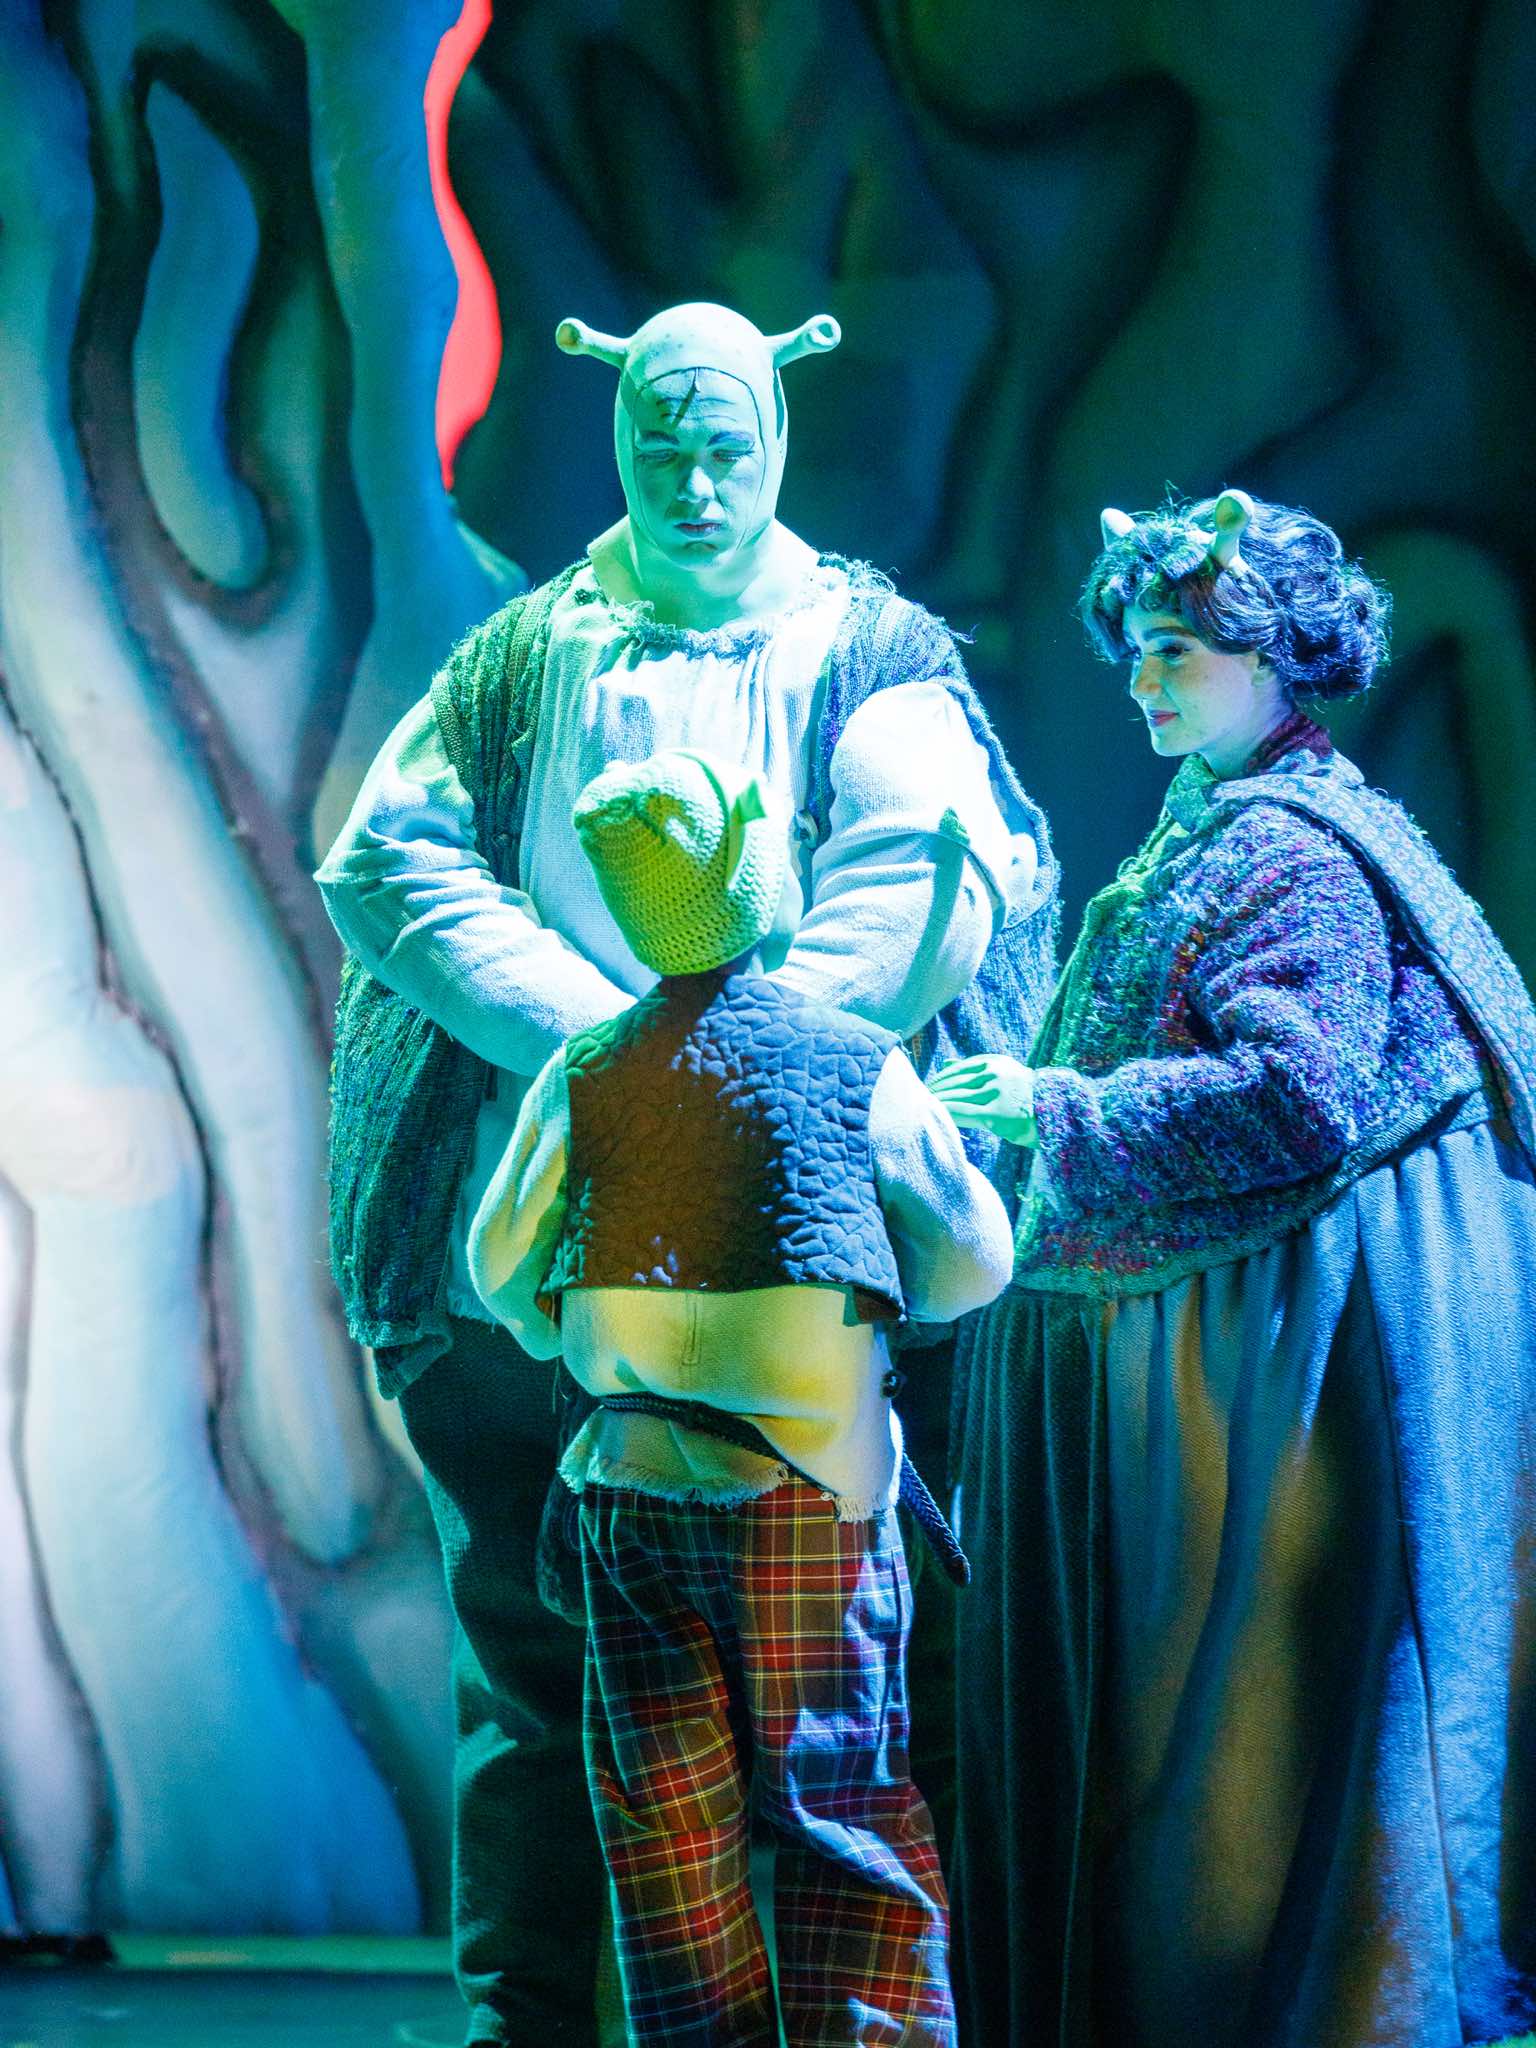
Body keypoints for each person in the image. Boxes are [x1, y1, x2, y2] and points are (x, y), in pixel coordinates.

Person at [316, 301, 1057, 2046]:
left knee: (846, 1741)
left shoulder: (863, 651)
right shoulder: (529, 657)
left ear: (777, 439)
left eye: (727, 446)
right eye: (662, 447)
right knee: (557, 1701)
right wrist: (616, 1049)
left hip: (809, 1385)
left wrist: (735, 1059)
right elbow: (389, 858)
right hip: (617, 1387)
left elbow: (932, 871)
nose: (697, 483)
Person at [931, 490, 1536, 2048]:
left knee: (1247, 1752)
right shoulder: (1226, 811)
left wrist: (1054, 1110)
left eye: (1179, 651)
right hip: (1223, 1348)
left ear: (1275, 661)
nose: (1143, 679)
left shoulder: (1291, 850)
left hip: (1273, 1376)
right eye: (1137, 648)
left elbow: (1298, 1097)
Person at [468, 745, 1013, 2045]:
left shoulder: (586, 1069)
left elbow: (498, 1264)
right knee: (844, 1811)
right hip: (809, 1494)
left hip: (634, 1492)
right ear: (757, 874)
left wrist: (570, 1330)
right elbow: (974, 1259)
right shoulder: (855, 1062)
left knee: (666, 1838)